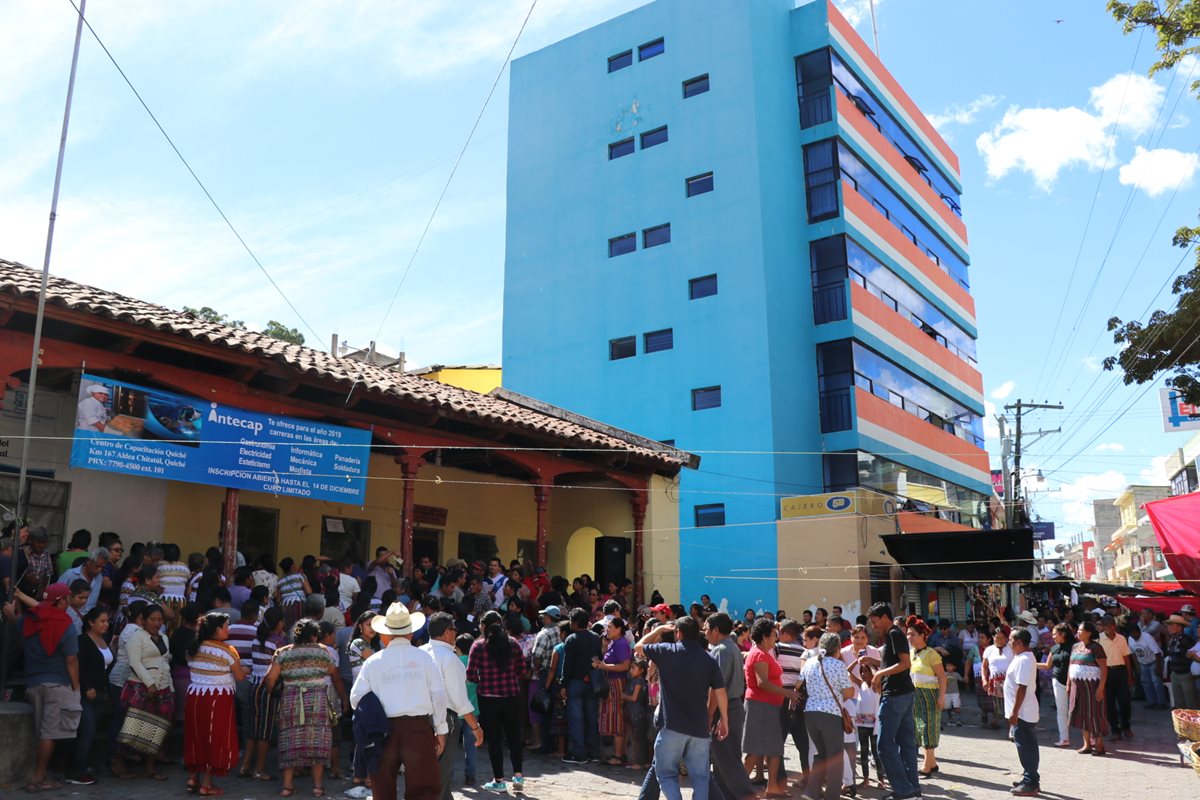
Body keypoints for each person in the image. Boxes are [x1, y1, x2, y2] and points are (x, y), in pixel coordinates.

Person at [349, 601, 448, 800]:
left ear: (386, 635)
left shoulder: (373, 662)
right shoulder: (424, 658)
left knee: (382, 789)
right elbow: (438, 695)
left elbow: (355, 698)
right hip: (418, 728)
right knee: (424, 790)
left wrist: (375, 713)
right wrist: (441, 729)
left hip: (384, 730)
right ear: (410, 633)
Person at [635, 616, 729, 800]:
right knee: (701, 777)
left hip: (672, 727)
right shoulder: (708, 659)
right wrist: (724, 719)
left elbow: (638, 647)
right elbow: (720, 691)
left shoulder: (666, 651)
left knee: (666, 774)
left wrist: (659, 630)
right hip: (699, 729)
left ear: (678, 633)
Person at [7, 582, 81, 792]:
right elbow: (71, 660)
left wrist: (12, 611)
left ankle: (42, 774)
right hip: (57, 684)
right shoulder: (65, 624)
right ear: (62, 601)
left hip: (33, 683)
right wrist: (76, 687)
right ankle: (37, 778)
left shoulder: (29, 620)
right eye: (67, 599)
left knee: (42, 731)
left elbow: (18, 621)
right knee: (49, 732)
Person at [264, 618, 348, 798]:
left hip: (290, 700)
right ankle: (317, 786)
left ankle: (287, 785)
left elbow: (270, 679)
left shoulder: (283, 653)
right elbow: (336, 677)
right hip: (317, 701)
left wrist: (274, 694)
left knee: (289, 739)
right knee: (318, 740)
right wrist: (344, 698)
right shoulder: (323, 652)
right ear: (314, 635)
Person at [466, 610, 530, 791]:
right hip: (512, 696)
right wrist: (510, 677)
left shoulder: (478, 646)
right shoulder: (513, 643)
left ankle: (499, 780)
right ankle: (518, 777)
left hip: (488, 699)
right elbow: (522, 669)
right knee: (514, 738)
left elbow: (470, 675)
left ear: (484, 626)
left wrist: (482, 681)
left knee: (494, 740)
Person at [185, 612, 247, 796]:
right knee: (214, 738)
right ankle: (206, 784)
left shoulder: (193, 648)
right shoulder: (227, 651)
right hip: (217, 699)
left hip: (195, 697)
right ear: (218, 629)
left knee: (196, 736)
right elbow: (240, 676)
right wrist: (247, 669)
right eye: (226, 626)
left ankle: (193, 777)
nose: (228, 629)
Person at [423, 612, 484, 800]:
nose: (455, 635)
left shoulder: (420, 653)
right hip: (444, 719)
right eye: (454, 630)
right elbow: (459, 700)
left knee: (428, 772)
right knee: (441, 774)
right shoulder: (450, 659)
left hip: (419, 719)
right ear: (447, 632)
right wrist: (475, 726)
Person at [704, 612, 756, 800]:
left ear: (716, 630)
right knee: (722, 759)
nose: (705, 632)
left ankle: (746, 795)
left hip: (725, 709)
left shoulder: (720, 650)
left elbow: (717, 688)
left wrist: (711, 714)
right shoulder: (731, 647)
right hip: (732, 706)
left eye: (707, 629)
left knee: (728, 760)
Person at [869, 603, 919, 800]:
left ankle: (903, 791)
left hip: (896, 696)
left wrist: (880, 673)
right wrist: (875, 666)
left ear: (884, 618)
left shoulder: (894, 634)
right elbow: (894, 664)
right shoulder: (893, 635)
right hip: (903, 694)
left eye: (874, 622)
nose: (873, 626)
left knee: (884, 745)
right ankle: (912, 790)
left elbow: (905, 663)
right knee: (906, 744)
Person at [797, 631, 854, 800]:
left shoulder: (809, 663)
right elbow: (849, 692)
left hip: (810, 713)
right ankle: (831, 796)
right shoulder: (838, 665)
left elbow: (799, 684)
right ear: (837, 648)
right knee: (835, 756)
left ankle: (811, 791)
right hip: (830, 714)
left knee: (821, 754)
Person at [119, 604, 174, 780]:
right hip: (142, 687)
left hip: (163, 686)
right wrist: (149, 684)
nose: (156, 623)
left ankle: (150, 768)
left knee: (157, 728)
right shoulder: (137, 637)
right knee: (133, 728)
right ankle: (118, 762)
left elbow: (165, 662)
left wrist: (170, 688)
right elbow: (135, 663)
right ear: (143, 620)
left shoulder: (164, 638)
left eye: (159, 620)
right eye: (152, 619)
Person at [741, 618, 790, 797]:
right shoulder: (759, 654)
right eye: (773, 636)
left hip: (768, 706)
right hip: (760, 706)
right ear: (764, 637)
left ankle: (772, 788)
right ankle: (737, 789)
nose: (775, 639)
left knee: (775, 748)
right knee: (755, 751)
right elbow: (763, 683)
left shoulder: (762, 653)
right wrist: (788, 693)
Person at [241, 606, 285, 781]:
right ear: (279, 623)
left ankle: (245, 766)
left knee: (254, 728)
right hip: (269, 687)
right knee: (265, 731)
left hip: (254, 685)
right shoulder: (278, 643)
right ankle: (259, 769)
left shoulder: (257, 639)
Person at [74, 606, 112, 785]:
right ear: (91, 622)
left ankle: (82, 765)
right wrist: (86, 687)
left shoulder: (104, 640)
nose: (106, 625)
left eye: (107, 621)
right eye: (102, 621)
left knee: (90, 731)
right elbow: (77, 665)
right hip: (85, 694)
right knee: (87, 731)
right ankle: (77, 771)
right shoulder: (83, 640)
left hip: (100, 693)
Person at [561, 607, 602, 765]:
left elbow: (567, 664)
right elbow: (598, 657)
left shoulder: (571, 639)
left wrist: (563, 684)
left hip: (576, 682)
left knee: (576, 719)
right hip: (591, 681)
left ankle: (579, 753)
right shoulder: (595, 637)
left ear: (576, 622)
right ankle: (594, 751)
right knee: (591, 717)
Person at [843, 625, 883, 789]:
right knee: (856, 744)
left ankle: (880, 778)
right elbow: (845, 671)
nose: (859, 641)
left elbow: (880, 668)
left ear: (868, 639)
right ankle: (856, 775)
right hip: (852, 700)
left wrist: (869, 663)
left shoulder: (873, 651)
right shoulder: (844, 652)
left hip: (872, 712)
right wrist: (856, 661)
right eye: (856, 637)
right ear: (851, 637)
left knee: (876, 750)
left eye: (863, 638)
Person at [905, 617, 945, 777]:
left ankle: (926, 766)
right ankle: (932, 763)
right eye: (908, 634)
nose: (909, 637)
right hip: (915, 695)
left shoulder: (931, 654)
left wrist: (941, 696)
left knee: (928, 728)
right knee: (919, 728)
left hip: (930, 695)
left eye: (913, 634)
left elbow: (942, 677)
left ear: (923, 635)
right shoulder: (910, 653)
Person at [775, 619, 810, 786]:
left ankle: (780, 778)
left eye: (779, 631)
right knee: (802, 742)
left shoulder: (778, 648)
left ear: (786, 634)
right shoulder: (804, 652)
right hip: (799, 700)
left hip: (781, 698)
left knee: (778, 741)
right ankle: (807, 776)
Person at [1005, 629, 1040, 796]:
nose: (1009, 643)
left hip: (1023, 713)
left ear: (1019, 642)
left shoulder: (1024, 659)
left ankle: (1031, 782)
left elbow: (1022, 687)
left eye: (1011, 640)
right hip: (1022, 712)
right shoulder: (1021, 658)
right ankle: (1030, 777)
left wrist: (1014, 712)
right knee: (1026, 746)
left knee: (1026, 748)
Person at [594, 616, 633, 766]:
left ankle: (618, 755)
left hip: (617, 683)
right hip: (612, 682)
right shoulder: (613, 643)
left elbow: (625, 666)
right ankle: (619, 753)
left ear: (619, 629)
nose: (607, 630)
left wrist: (603, 666)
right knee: (615, 716)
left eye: (610, 627)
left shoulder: (621, 643)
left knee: (617, 717)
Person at [1068, 620, 1109, 756]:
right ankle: (1086, 745)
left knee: (1094, 714)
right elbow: (1071, 665)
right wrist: (1069, 684)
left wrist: (1101, 688)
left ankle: (1099, 745)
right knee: (1081, 713)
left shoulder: (1096, 648)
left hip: (1092, 687)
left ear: (1089, 633)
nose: (1078, 633)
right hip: (1077, 687)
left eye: (1081, 630)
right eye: (1078, 630)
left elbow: (1103, 668)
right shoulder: (1075, 647)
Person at [1036, 623, 1074, 748]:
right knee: (1061, 711)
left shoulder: (1075, 647)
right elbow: (1047, 666)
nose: (1052, 636)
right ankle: (1064, 738)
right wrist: (1031, 662)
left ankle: (1090, 738)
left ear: (1062, 634)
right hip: (1057, 681)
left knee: (1079, 710)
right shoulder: (1054, 648)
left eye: (1054, 634)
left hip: (1074, 682)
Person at [1097, 615, 1135, 740]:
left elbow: (1126, 657)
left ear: (1114, 625)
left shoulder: (1121, 638)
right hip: (1106, 672)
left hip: (1120, 671)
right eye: (1105, 625)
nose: (1107, 627)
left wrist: (1129, 675)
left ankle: (1126, 726)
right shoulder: (1098, 639)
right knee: (1109, 703)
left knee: (1125, 701)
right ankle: (1115, 729)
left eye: (1110, 624)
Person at [1128, 618, 1167, 710]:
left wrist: (1158, 667)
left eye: (1134, 633)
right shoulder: (1130, 639)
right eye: (1131, 634)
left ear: (1138, 631)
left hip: (1154, 661)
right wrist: (1137, 667)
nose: (1133, 636)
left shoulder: (1147, 637)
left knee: (1156, 682)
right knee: (1146, 683)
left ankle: (1161, 703)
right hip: (1143, 663)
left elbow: (1157, 652)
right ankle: (1152, 701)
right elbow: (1133, 654)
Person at [982, 626, 1014, 731]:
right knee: (997, 706)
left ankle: (1011, 729)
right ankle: (996, 719)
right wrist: (984, 680)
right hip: (995, 682)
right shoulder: (989, 650)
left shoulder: (1011, 648)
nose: (999, 640)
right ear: (993, 637)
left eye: (1001, 638)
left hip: (1010, 683)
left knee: (1010, 706)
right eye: (996, 637)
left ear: (1006, 638)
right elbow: (984, 667)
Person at [1165, 614, 1198, 709]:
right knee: (1179, 702)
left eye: (1172, 625)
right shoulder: (1172, 639)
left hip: (1186, 674)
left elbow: (1192, 654)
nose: (1169, 627)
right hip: (1175, 673)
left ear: (1179, 627)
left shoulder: (1187, 639)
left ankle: (1193, 723)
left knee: (1191, 702)